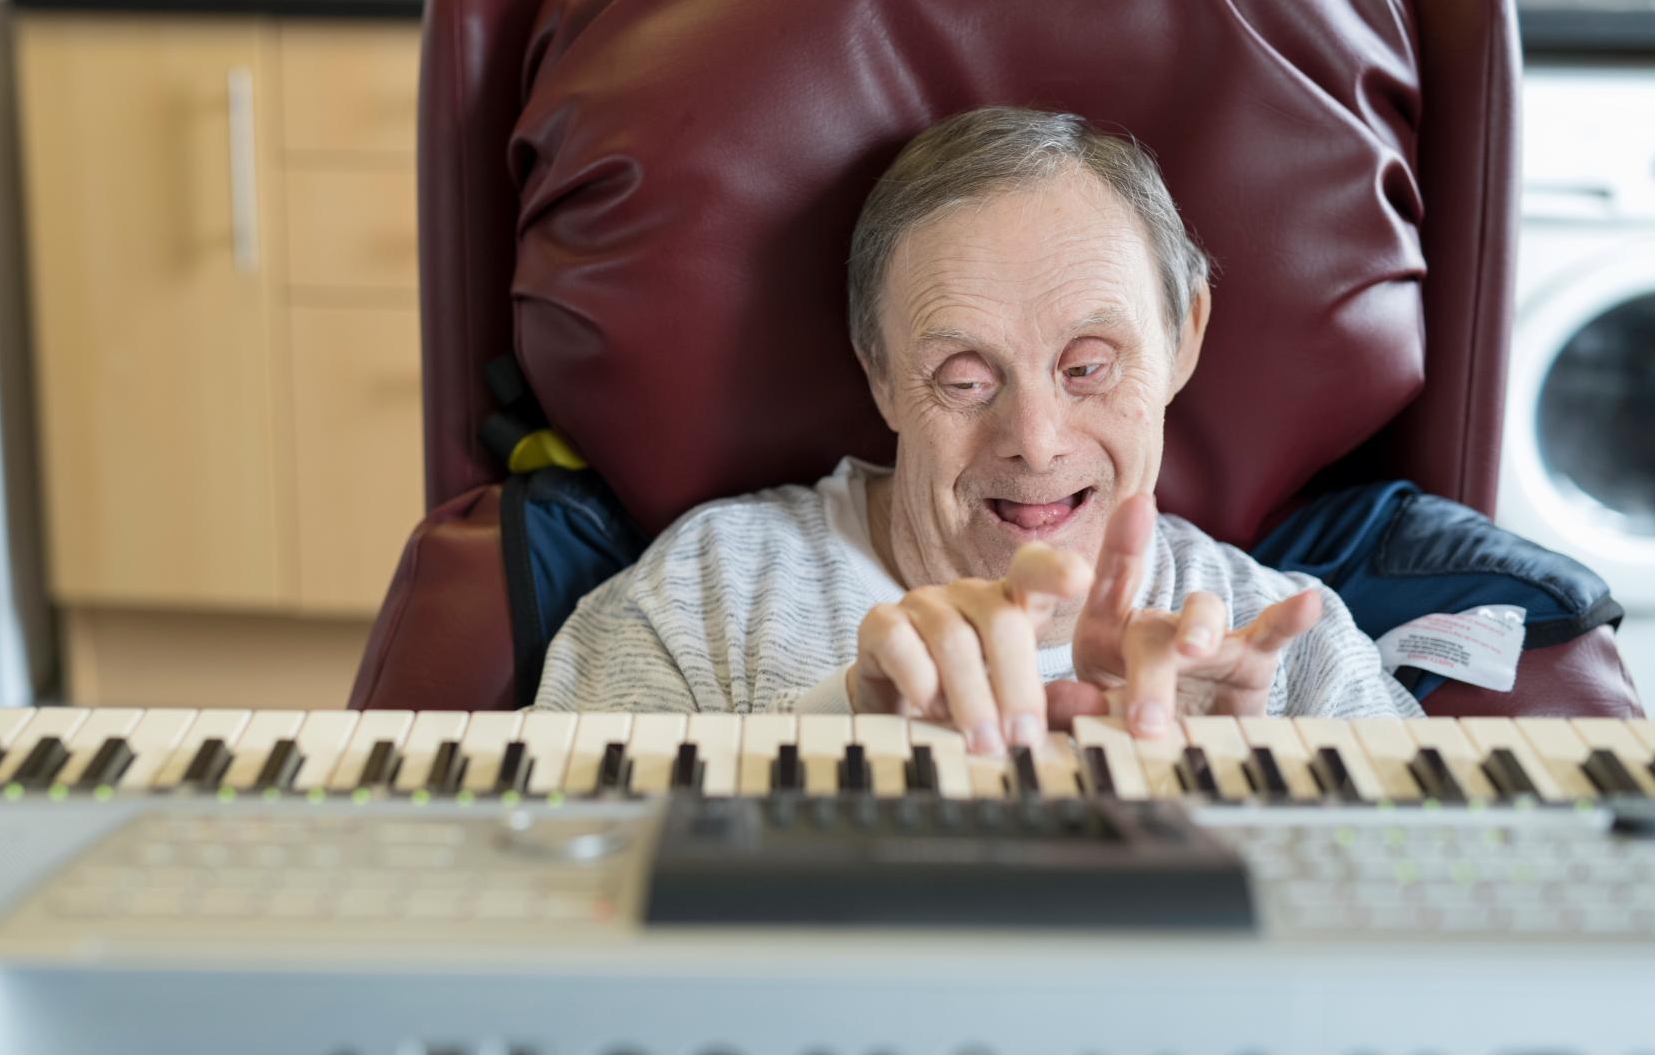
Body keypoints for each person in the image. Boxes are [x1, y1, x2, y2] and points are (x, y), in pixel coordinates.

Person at [534, 106, 1422, 750]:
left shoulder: (1284, 642)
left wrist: (1234, 801)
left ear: (1184, 339)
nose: (1034, 440)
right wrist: (832, 741)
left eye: (1088, 367)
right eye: (963, 379)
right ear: (880, 371)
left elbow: (1443, 952)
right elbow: (546, 900)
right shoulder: (709, 594)